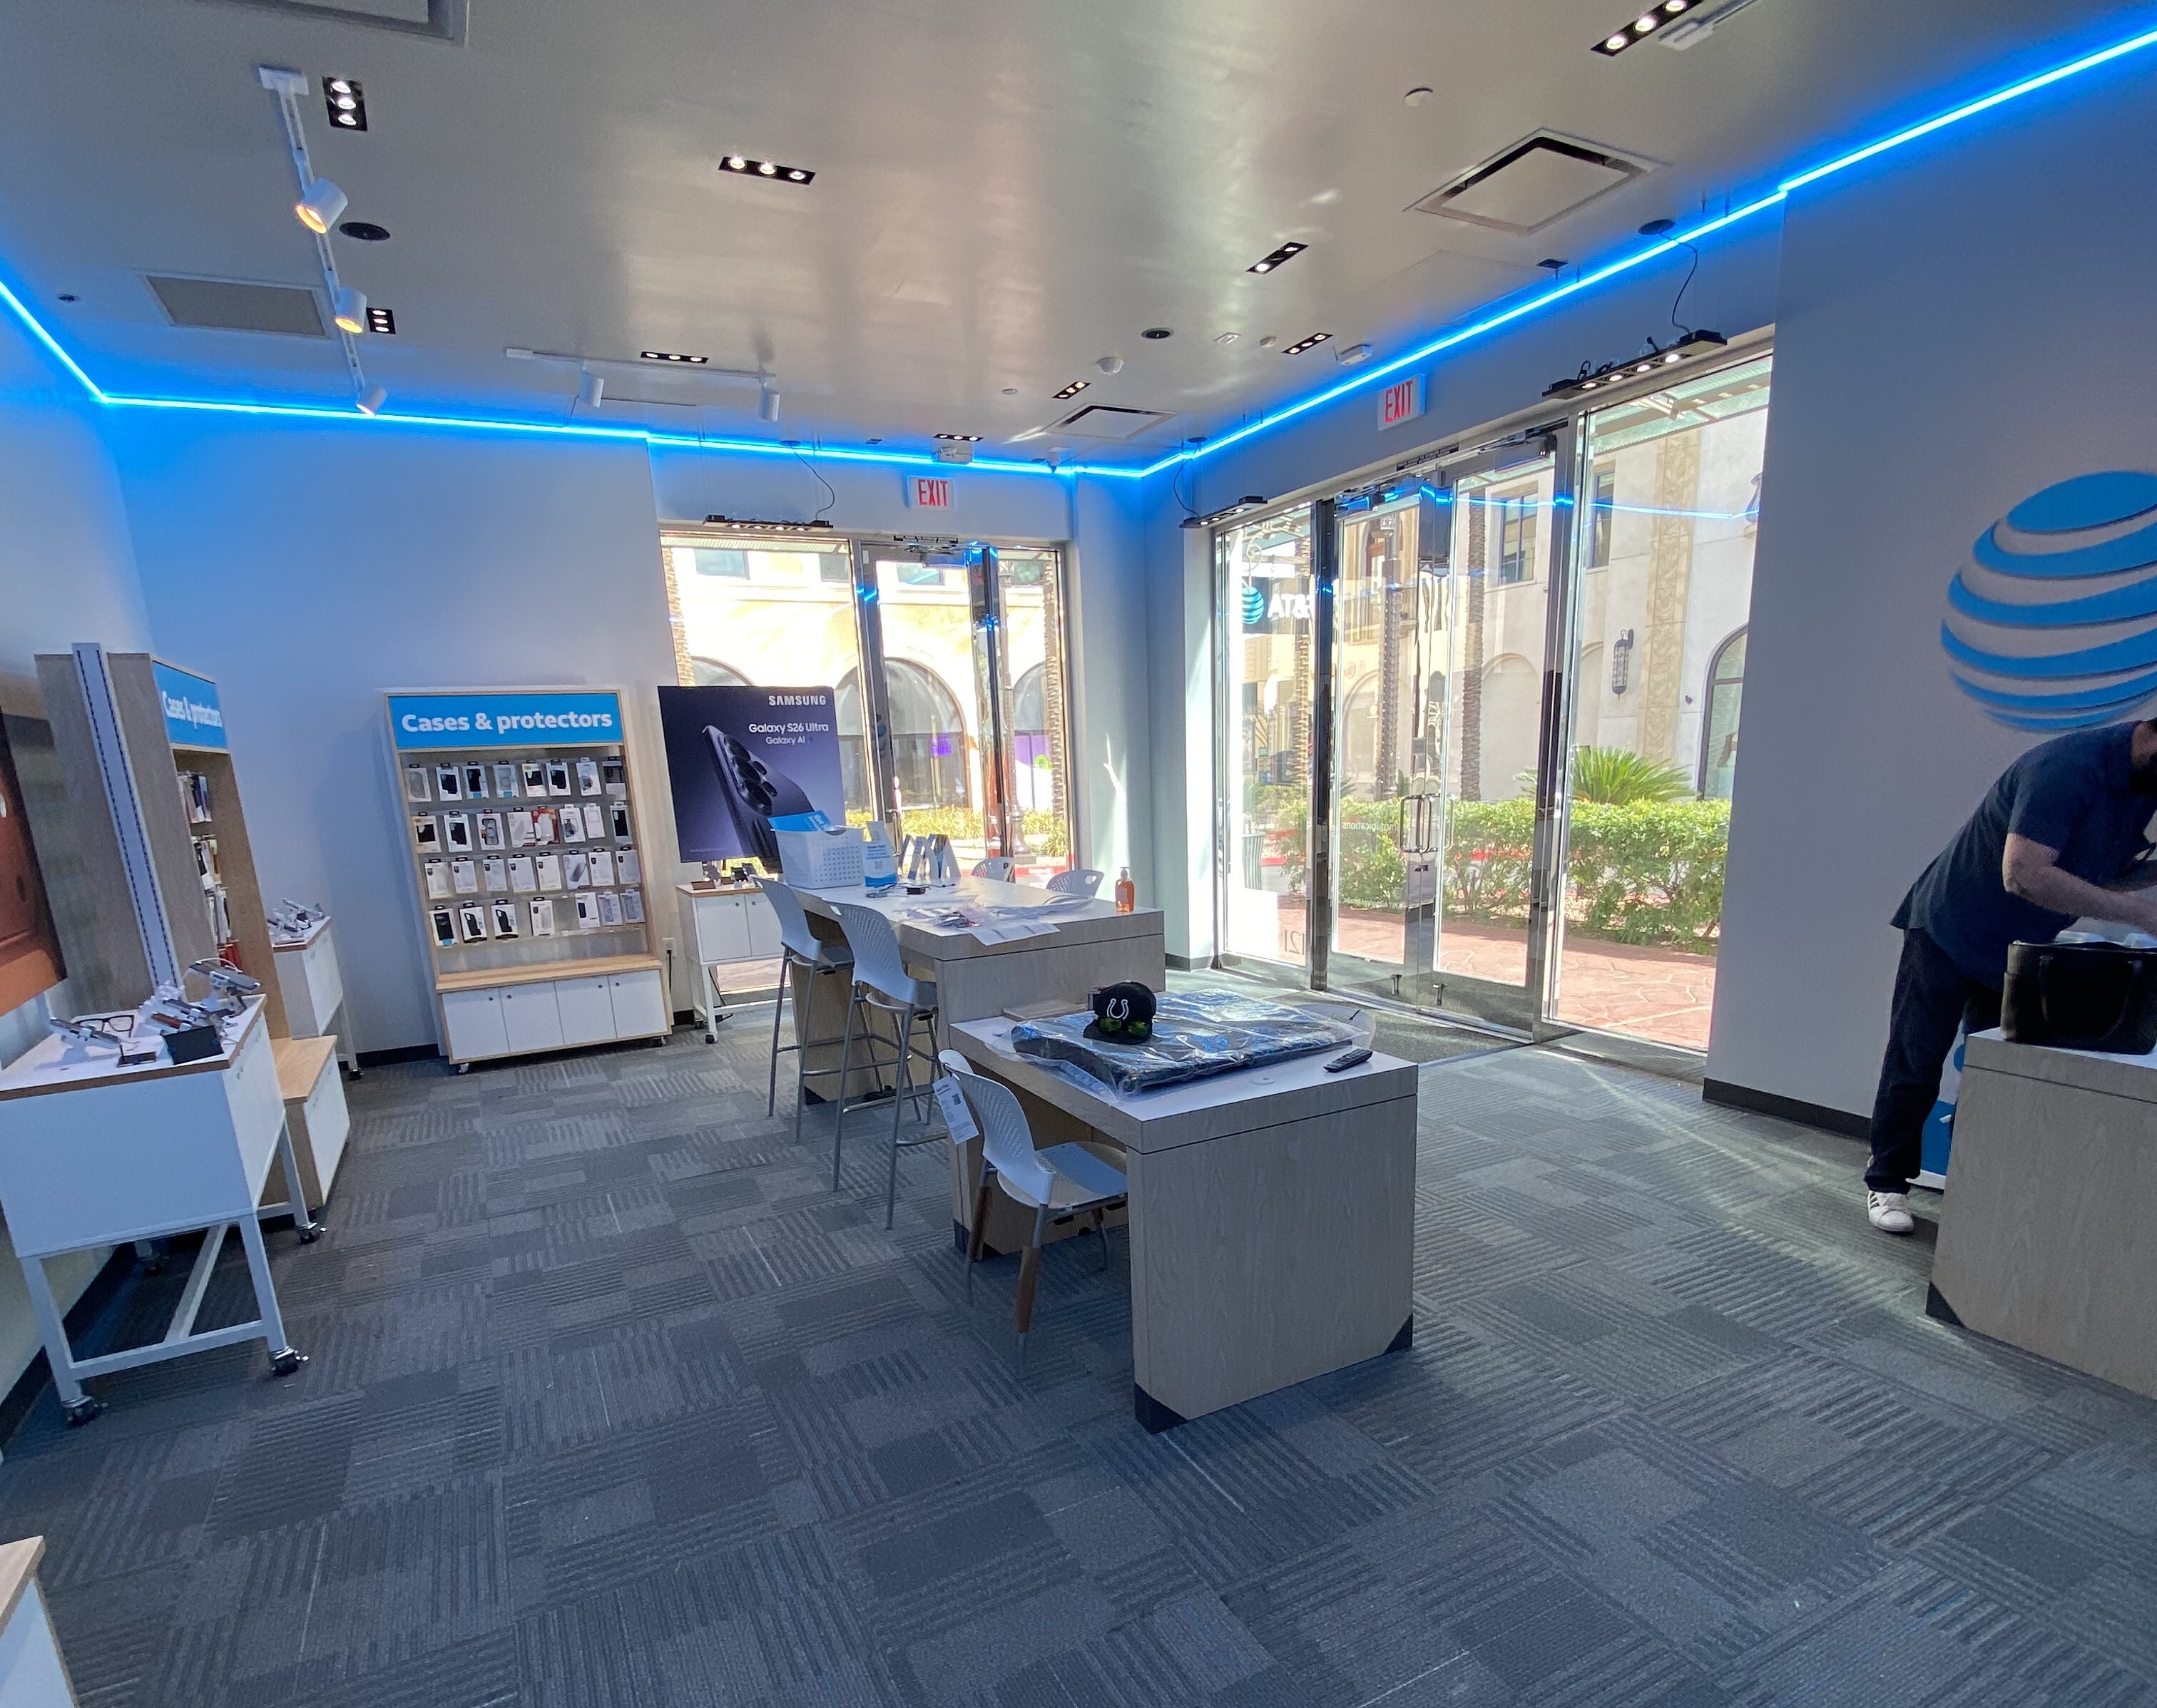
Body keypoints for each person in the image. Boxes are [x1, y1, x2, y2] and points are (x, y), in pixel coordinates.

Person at [1865, 717, 2157, 1233]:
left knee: (1994, 1075)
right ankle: (1886, 1182)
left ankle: (1975, 1187)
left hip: (2019, 948)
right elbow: (2023, 873)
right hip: (1948, 928)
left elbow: (2096, 873)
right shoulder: (2066, 767)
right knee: (1915, 1063)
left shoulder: (2141, 786)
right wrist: (2140, 914)